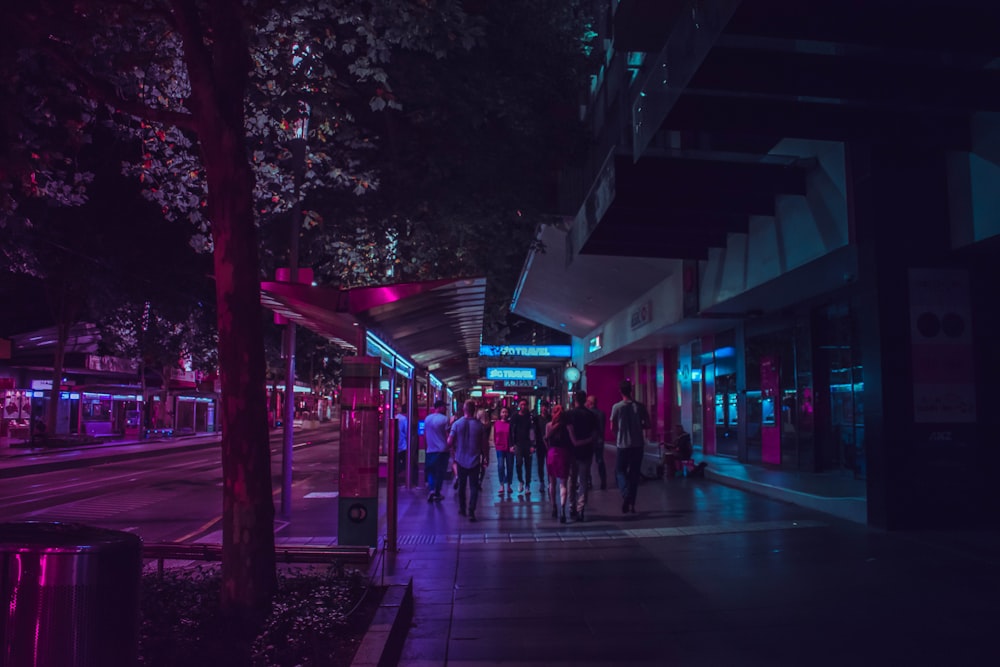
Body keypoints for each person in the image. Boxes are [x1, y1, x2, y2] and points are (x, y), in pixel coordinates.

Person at [610, 380, 650, 514]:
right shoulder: (640, 406)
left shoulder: (617, 407)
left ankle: (625, 492)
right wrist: (638, 426)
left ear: (620, 391)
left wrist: (618, 434)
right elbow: (648, 424)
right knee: (634, 474)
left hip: (623, 444)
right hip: (638, 444)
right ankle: (632, 503)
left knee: (619, 471)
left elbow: (612, 426)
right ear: (631, 391)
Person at [448, 399, 489, 522]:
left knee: (461, 485)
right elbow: (484, 444)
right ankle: (471, 510)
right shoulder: (479, 426)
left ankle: (462, 507)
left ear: (463, 410)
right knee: (474, 486)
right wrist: (486, 457)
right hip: (475, 460)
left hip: (460, 459)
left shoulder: (456, 424)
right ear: (474, 410)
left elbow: (449, 442)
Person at [567, 390, 600, 522]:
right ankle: (581, 508)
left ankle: (571, 506)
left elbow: (566, 433)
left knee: (571, 480)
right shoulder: (591, 415)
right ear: (585, 400)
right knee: (583, 480)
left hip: (572, 451)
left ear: (575, 400)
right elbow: (595, 434)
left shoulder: (569, 415)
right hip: (586, 451)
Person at [544, 405, 572, 523]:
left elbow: (545, 439)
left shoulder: (549, 426)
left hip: (551, 453)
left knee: (552, 482)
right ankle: (562, 510)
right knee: (563, 484)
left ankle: (554, 506)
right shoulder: (567, 426)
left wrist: (549, 449)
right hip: (563, 453)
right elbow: (572, 441)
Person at [424, 399, 450, 501]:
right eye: (444, 407)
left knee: (431, 471)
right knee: (440, 472)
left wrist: (427, 446)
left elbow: (425, 434)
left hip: (430, 450)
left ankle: (431, 489)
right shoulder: (445, 419)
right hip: (442, 450)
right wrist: (450, 447)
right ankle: (437, 492)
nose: (445, 409)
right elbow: (447, 434)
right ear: (439, 407)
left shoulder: (427, 419)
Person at [510, 398, 535, 493]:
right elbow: (511, 431)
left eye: (525, 404)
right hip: (518, 444)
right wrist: (512, 444)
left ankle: (528, 485)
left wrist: (532, 445)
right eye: (521, 404)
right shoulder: (514, 417)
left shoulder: (529, 417)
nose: (523, 406)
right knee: (519, 463)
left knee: (528, 465)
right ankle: (520, 481)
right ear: (519, 405)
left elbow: (532, 431)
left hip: (528, 444)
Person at [585, 395, 607, 490]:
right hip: (599, 440)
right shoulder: (601, 413)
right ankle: (603, 481)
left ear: (590, 403)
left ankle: (589, 482)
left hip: (589, 440)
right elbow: (602, 428)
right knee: (600, 460)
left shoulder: (587, 414)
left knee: (587, 462)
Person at [492, 405, 514, 496]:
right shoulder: (496, 423)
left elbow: (513, 435)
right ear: (500, 413)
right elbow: (494, 435)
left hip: (509, 447)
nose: (504, 414)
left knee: (510, 466)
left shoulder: (511, 424)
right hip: (500, 447)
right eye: (503, 412)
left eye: (506, 412)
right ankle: (501, 484)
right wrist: (495, 444)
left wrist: (512, 446)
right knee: (500, 466)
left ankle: (509, 485)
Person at [533, 401, 550, 492]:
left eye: (545, 406)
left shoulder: (550, 418)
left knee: (549, 464)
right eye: (543, 406)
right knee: (540, 464)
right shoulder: (536, 419)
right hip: (540, 444)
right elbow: (534, 431)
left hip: (549, 444)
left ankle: (550, 481)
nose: (544, 408)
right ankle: (542, 482)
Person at [394, 403, 408, 477]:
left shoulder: (396, 417)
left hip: (396, 444)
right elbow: (407, 431)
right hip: (403, 445)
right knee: (405, 462)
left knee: (397, 462)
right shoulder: (404, 419)